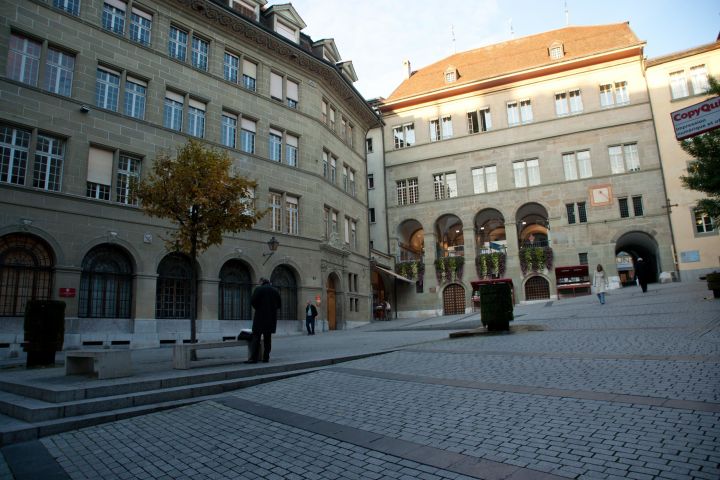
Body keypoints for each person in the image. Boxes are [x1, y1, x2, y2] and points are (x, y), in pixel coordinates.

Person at [247, 278, 281, 364]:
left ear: (261, 282)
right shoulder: (275, 290)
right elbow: (279, 304)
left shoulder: (259, 289)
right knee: (267, 339)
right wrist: (272, 310)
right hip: (271, 318)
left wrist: (258, 308)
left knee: (256, 338)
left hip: (260, 317)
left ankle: (254, 358)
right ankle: (266, 357)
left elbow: (252, 301)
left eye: (259, 282)